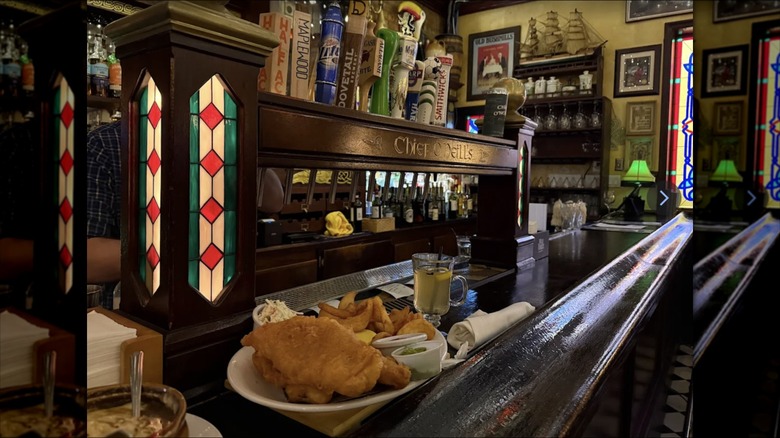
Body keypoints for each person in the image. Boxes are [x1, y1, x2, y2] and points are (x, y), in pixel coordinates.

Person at [86, 120, 284, 308]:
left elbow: (274, 201)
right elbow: (90, 259)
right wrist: (187, 248)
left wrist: (242, 141)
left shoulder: (217, 136)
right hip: (130, 313)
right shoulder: (106, 143)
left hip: (214, 301)